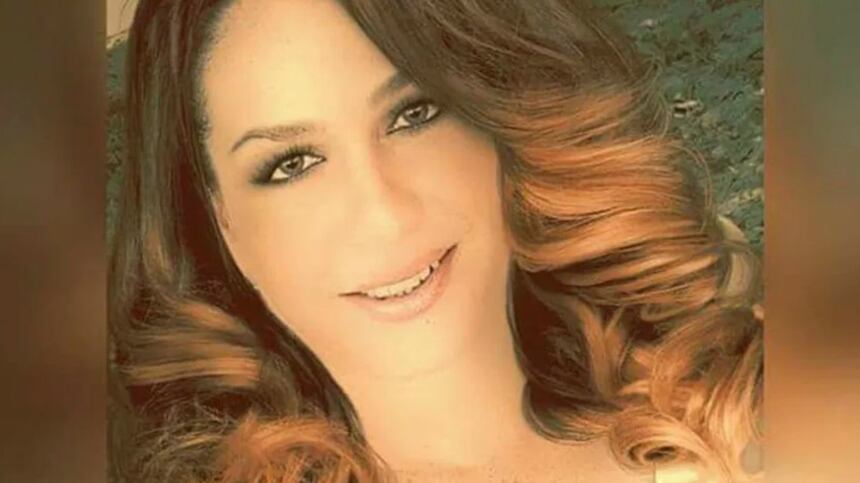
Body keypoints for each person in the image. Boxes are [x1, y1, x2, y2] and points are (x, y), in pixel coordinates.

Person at [108, 0, 763, 481]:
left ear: (501, 114)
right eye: (292, 164)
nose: (383, 213)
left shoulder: (740, 401)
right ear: (218, 218)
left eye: (413, 114)